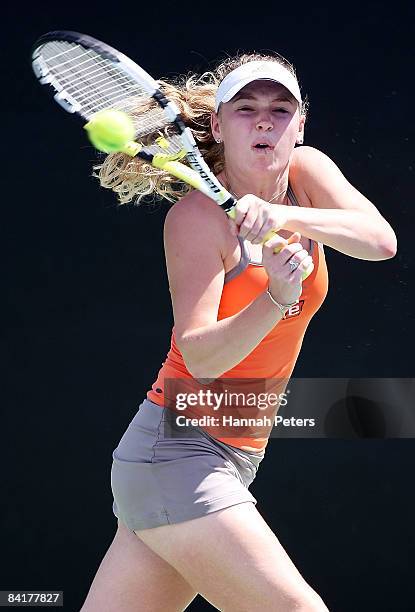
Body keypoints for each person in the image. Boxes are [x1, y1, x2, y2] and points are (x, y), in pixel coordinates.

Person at [80, 52, 397, 611]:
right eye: (246, 109)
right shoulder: (197, 220)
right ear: (218, 125)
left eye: (281, 109)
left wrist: (286, 218)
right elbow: (201, 358)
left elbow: (379, 241)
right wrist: (276, 297)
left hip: (234, 452)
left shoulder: (306, 172)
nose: (265, 122)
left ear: (300, 125)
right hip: (176, 453)